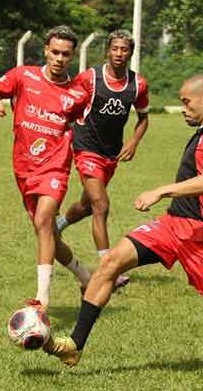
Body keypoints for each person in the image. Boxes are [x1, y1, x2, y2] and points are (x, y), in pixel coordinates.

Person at [42, 74, 203, 385]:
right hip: (172, 226)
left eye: (186, 102)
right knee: (111, 262)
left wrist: (161, 191)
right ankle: (75, 345)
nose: (182, 108)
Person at [0, 25, 100, 311]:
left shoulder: (78, 94)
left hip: (55, 167)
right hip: (23, 168)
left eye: (65, 54)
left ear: (73, 56)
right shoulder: (22, 76)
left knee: (45, 220)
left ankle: (41, 299)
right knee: (48, 234)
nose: (59, 58)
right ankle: (84, 275)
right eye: (55, 52)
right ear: (45, 50)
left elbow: (81, 132)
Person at [56, 30, 150, 289]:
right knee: (101, 205)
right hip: (86, 147)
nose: (120, 54)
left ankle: (58, 225)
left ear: (131, 52)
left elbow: (143, 119)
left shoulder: (138, 84)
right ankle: (107, 270)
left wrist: (133, 141)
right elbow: (66, 103)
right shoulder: (91, 78)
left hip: (111, 153)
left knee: (86, 206)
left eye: (125, 49)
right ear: (108, 51)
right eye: (115, 49)